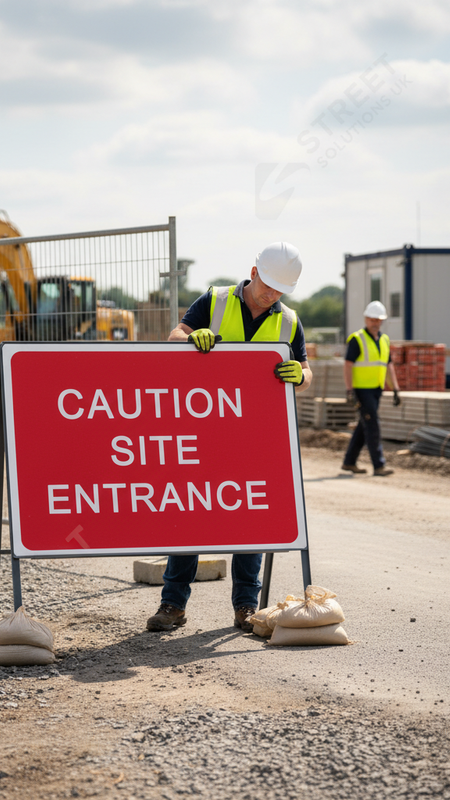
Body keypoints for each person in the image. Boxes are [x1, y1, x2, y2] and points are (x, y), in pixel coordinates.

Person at [146, 241, 313, 633]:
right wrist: (192, 338)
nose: (271, 294)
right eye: (267, 284)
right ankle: (172, 605)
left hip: (254, 435)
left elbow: (306, 370)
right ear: (253, 272)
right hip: (202, 430)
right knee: (192, 516)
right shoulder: (216, 300)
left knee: (250, 520)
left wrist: (299, 377)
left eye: (279, 289)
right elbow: (174, 338)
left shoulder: (289, 321)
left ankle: (246, 607)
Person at [341, 300, 401, 477]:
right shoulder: (357, 339)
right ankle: (379, 465)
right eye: (373, 320)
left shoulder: (384, 340)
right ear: (366, 319)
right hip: (361, 390)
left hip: (376, 389)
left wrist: (395, 388)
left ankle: (349, 462)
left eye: (379, 320)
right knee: (373, 425)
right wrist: (349, 390)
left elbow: (388, 365)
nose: (376, 323)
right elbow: (348, 365)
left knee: (364, 425)